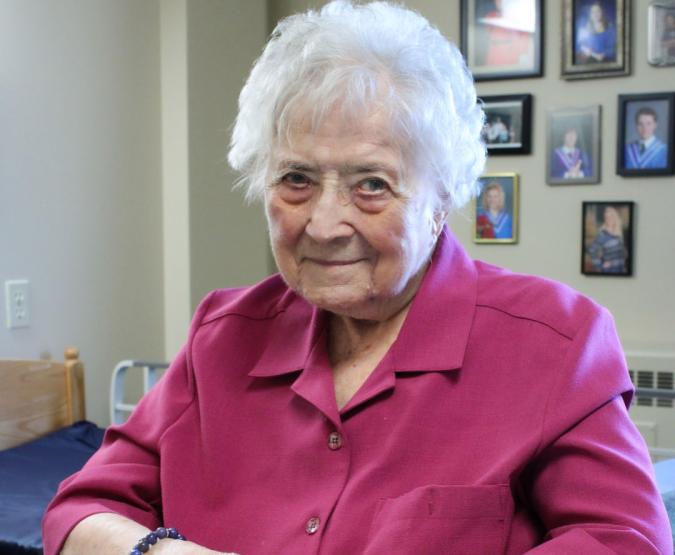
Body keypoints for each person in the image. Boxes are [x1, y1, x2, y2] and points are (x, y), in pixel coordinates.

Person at [43, 2, 672, 554]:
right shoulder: (222, 336)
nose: (324, 224)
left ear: (442, 196)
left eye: (371, 184)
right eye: (296, 180)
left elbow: (627, 543)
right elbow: (78, 513)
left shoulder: (556, 341)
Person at [587, 206, 628, 274]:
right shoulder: (602, 235)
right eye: (607, 217)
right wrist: (600, 265)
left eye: (611, 217)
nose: (609, 219)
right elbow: (592, 251)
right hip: (610, 270)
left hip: (621, 268)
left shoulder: (619, 234)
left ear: (615, 218)